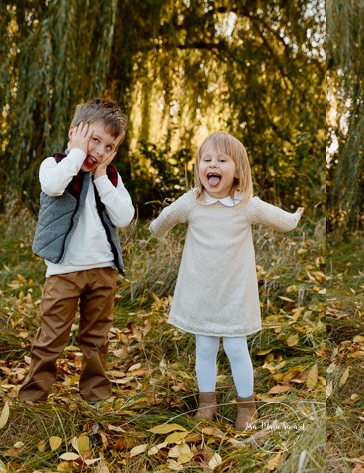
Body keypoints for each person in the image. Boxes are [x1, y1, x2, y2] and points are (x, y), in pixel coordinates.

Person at [149, 131, 304, 430]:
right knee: (204, 348)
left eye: (222, 160)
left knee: (236, 348)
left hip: (234, 293)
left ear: (237, 171)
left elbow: (281, 221)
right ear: (199, 168)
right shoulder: (192, 202)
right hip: (201, 292)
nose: (213, 165)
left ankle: (247, 405)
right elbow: (164, 220)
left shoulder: (246, 205)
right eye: (206, 159)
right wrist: (155, 229)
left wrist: (294, 216)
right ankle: (207, 402)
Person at [18, 98, 134, 403]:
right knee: (51, 337)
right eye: (94, 140)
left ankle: (95, 395)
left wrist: (101, 179)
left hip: (103, 270)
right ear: (74, 133)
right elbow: (54, 186)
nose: (99, 151)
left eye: (109, 147)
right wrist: (77, 154)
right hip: (64, 272)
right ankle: (33, 396)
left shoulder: (110, 178)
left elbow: (124, 216)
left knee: (97, 338)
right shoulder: (55, 165)